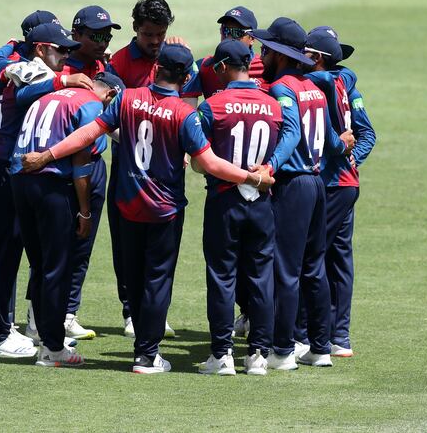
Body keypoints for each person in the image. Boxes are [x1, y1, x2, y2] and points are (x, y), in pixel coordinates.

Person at [20, 44, 274, 374]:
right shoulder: (186, 115)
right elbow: (209, 163)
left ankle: (142, 347)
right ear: (185, 78)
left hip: (127, 204)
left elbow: (88, 133)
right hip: (164, 210)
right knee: (157, 280)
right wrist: (252, 178)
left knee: (135, 279)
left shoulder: (126, 99)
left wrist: (47, 155)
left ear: (157, 71)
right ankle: (147, 355)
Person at [9, 34, 125, 368]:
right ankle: (53, 348)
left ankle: (43, 337)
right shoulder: (90, 105)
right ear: (112, 94)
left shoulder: (51, 95)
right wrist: (85, 211)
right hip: (51, 187)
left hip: (20, 182)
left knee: (41, 265)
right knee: (58, 268)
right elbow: (79, 165)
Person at [251, 17, 355, 370]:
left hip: (294, 184)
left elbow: (293, 132)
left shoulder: (283, 87)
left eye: (266, 49)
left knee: (286, 269)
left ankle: (283, 350)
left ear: (279, 54)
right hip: (316, 184)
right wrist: (345, 149)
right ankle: (321, 348)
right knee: (314, 269)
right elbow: (329, 139)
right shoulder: (313, 88)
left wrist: (271, 166)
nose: (262, 53)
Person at [0, 11, 62, 358]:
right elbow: (26, 96)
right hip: (1, 167)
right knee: (3, 253)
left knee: (2, 250)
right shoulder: (30, 72)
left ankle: (3, 327)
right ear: (38, 46)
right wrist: (64, 83)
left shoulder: (11, 63)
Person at [194, 40, 282, 376]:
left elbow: (201, 163)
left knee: (221, 278)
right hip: (261, 200)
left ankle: (222, 354)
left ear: (224, 67)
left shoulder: (213, 106)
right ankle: (258, 354)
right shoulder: (273, 105)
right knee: (260, 277)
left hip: (224, 200)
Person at [104, 0, 177, 338]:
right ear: (135, 29)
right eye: (150, 35)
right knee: (125, 242)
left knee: (161, 243)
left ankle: (154, 309)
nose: (155, 42)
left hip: (164, 167)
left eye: (161, 35)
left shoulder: (172, 58)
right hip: (127, 165)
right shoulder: (118, 63)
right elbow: (111, 121)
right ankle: (131, 309)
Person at [304, 26, 376, 358]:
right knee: (338, 259)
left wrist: (350, 159)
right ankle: (339, 336)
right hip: (344, 183)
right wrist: (353, 162)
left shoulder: (325, 82)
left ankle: (308, 334)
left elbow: (366, 135)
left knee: (313, 255)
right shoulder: (346, 81)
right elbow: (367, 135)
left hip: (332, 183)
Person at [59, 5, 122, 341]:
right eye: (95, 35)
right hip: (66, 164)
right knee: (59, 246)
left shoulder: (100, 65)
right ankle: (44, 315)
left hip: (95, 162)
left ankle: (67, 313)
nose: (102, 41)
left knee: (82, 246)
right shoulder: (65, 67)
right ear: (77, 35)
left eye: (107, 35)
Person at [180, 6, 267, 104]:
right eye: (225, 30)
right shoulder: (204, 66)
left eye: (237, 33)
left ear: (252, 38)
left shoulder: (266, 68)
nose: (229, 37)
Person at [62, 5, 121, 78]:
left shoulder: (104, 65)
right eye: (96, 37)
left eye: (107, 38)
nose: (102, 44)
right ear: (75, 35)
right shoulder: (59, 70)